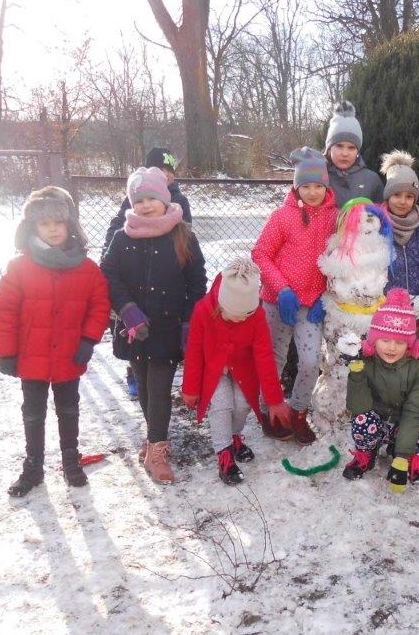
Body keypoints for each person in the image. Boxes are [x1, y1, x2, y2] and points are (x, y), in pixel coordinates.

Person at [0, 186, 110, 497]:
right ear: (33, 226)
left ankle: (71, 460)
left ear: (70, 225)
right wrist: (6, 352)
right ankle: (33, 466)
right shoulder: (19, 267)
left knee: (68, 409)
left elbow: (99, 305)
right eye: (45, 223)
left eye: (59, 222)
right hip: (30, 356)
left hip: (70, 355)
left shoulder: (87, 269)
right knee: (33, 412)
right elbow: (4, 311)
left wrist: (88, 339)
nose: (53, 229)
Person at [100, 167, 207, 484]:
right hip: (134, 329)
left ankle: (156, 452)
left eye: (152, 199)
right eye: (139, 200)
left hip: (168, 328)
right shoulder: (123, 237)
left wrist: (189, 322)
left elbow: (197, 282)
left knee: (159, 389)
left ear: (165, 199)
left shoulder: (183, 236)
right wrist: (127, 310)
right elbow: (108, 276)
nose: (146, 205)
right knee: (145, 387)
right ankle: (153, 438)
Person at [251, 147, 338, 444]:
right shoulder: (281, 217)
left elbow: (340, 259)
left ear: (326, 186)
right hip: (277, 302)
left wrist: (325, 297)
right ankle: (269, 412)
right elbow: (261, 254)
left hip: (310, 306)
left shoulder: (334, 218)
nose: (313, 192)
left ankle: (298, 411)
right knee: (273, 360)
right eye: (306, 186)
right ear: (296, 186)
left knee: (311, 361)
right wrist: (282, 289)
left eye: (318, 186)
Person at [181, 259, 294, 485]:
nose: (243, 319)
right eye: (238, 315)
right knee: (222, 404)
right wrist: (190, 388)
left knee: (242, 404)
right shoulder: (203, 310)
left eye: (247, 314)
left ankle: (234, 436)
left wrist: (274, 400)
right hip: (213, 371)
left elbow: (264, 357)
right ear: (223, 306)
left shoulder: (256, 315)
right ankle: (224, 453)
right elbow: (194, 350)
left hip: (243, 369)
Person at [103, 147, 193, 399]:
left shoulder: (179, 202)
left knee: (159, 367)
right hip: (135, 285)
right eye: (162, 170)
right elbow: (116, 234)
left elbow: (186, 241)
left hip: (166, 292)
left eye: (170, 170)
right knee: (137, 343)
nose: (167, 174)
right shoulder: (135, 200)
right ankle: (133, 371)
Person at [341, 289, 419, 491]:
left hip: (402, 424)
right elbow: (358, 407)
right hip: (376, 424)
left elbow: (414, 411)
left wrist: (402, 457)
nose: (392, 348)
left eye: (400, 342)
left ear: (409, 344)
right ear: (374, 340)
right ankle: (366, 454)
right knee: (362, 420)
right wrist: (357, 371)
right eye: (385, 340)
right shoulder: (366, 361)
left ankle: (401, 452)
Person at [379, 151, 419, 318]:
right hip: (382, 311)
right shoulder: (377, 228)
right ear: (388, 195)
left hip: (415, 311)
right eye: (396, 195)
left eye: (409, 196)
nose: (402, 201)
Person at [324, 100, 384, 206]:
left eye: (351, 148)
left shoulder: (372, 180)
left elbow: (381, 213)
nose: (345, 153)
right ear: (329, 148)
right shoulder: (318, 177)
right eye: (339, 146)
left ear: (358, 151)